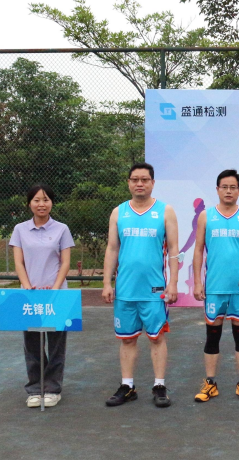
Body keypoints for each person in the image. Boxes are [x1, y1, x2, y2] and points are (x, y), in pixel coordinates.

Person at [102, 162, 179, 408]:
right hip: (125, 290)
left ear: (152, 183)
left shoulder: (165, 211)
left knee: (157, 338)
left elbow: (174, 250)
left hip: (155, 290)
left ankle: (159, 385)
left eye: (144, 180)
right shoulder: (118, 212)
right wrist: (106, 283)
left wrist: (173, 283)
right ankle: (127, 386)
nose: (139, 184)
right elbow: (112, 248)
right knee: (127, 339)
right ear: (128, 183)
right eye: (135, 179)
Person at [191, 170, 239, 402]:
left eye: (233, 187)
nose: (228, 191)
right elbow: (198, 250)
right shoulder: (206, 216)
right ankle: (210, 383)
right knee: (212, 336)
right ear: (217, 189)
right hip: (214, 287)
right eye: (224, 187)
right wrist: (198, 282)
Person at [10, 183, 75, 408]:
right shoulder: (20, 229)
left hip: (57, 296)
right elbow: (19, 262)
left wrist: (55, 288)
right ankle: (35, 389)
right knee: (32, 345)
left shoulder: (62, 229)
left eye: (46, 200)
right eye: (36, 200)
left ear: (52, 203)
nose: (41, 204)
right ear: (29, 203)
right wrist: (27, 286)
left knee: (56, 345)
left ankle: (53, 389)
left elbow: (65, 262)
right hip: (30, 296)